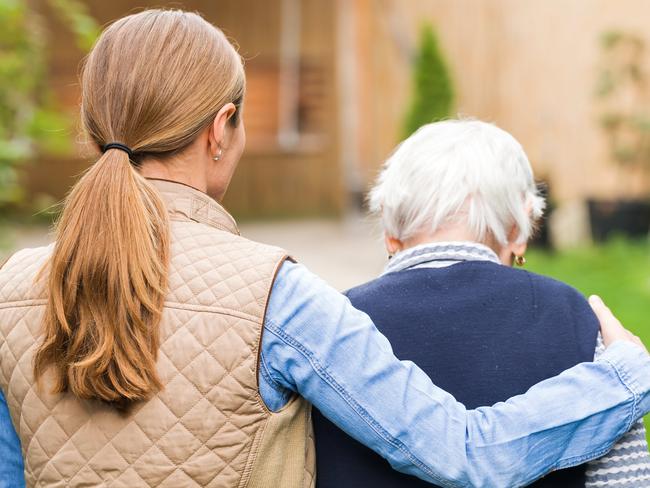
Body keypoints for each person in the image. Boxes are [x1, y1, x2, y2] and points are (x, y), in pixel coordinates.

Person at [0, 10, 649, 488]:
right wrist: (622, 376)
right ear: (222, 130)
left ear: (95, 133)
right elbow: (463, 452)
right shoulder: (273, 294)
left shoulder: (12, 288)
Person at [313, 119, 650, 488]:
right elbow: (624, 479)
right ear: (518, 231)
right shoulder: (579, 321)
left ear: (391, 235)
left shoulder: (332, 326)